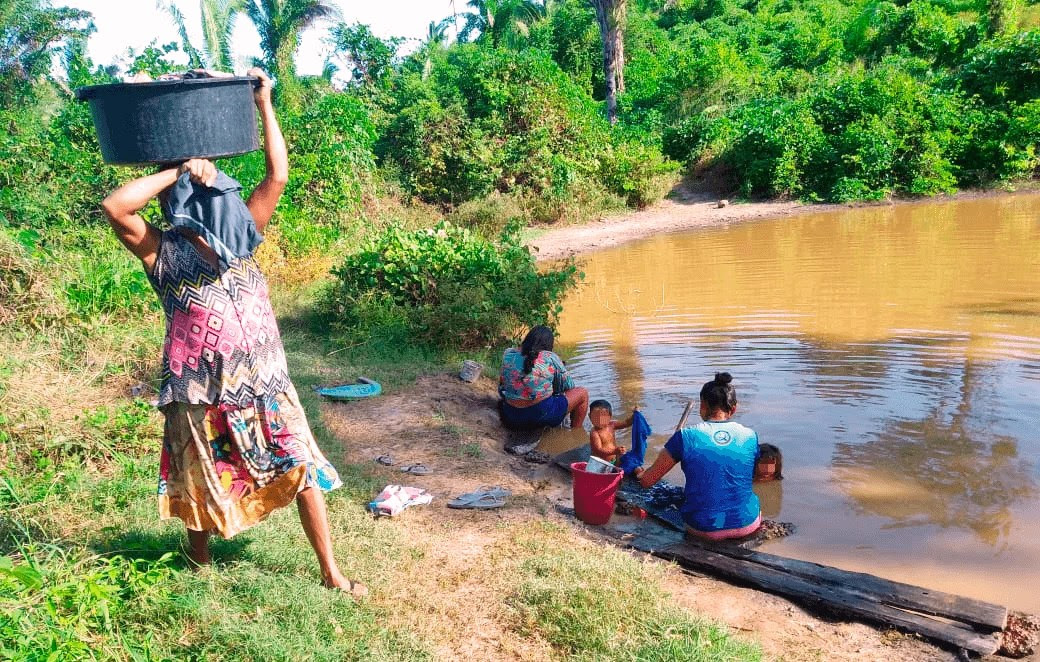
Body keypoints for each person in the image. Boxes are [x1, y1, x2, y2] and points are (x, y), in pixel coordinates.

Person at [101, 69, 365, 597]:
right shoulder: (163, 252)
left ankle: (330, 572)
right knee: (200, 478)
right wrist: (177, 168)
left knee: (304, 469)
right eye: (206, 201)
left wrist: (264, 102)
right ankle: (199, 559)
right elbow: (115, 205)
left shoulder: (244, 238)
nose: (217, 209)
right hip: (201, 394)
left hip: (267, 385)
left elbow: (278, 176)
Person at [633, 372, 762, 540]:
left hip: (703, 528)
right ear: (734, 408)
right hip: (748, 524)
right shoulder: (750, 435)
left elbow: (647, 481)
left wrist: (640, 472)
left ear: (702, 406)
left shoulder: (685, 436)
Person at [498, 325, 589, 430]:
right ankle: (576, 433)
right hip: (542, 415)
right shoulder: (550, 357)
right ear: (548, 344)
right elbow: (569, 386)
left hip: (511, 416)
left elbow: (502, 385)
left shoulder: (509, 354)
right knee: (582, 393)